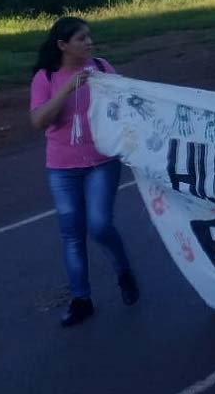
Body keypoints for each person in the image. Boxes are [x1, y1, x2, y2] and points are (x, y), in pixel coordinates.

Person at [30, 17, 139, 327]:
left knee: (100, 225)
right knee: (72, 234)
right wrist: (66, 90)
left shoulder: (102, 68)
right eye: (81, 39)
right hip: (62, 169)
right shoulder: (46, 77)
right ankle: (81, 299)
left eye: (89, 37)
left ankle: (123, 271)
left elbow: (126, 105)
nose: (89, 43)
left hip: (101, 163)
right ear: (63, 45)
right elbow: (39, 122)